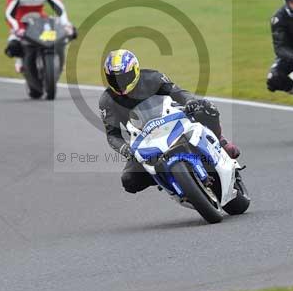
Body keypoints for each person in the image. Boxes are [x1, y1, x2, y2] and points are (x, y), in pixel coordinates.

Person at [98, 49, 241, 194]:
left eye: (124, 77)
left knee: (207, 107)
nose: (119, 83)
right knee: (129, 181)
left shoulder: (153, 77)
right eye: (114, 79)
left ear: (135, 70)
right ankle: (169, 178)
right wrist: (125, 149)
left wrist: (190, 101)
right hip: (145, 140)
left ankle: (221, 142)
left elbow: (177, 92)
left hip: (172, 119)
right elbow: (112, 135)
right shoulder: (107, 101)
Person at [3, 0, 76, 72]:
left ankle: (60, 60)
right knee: (13, 45)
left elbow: (60, 8)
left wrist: (66, 24)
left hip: (41, 19)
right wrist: (16, 28)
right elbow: (8, 13)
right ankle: (20, 60)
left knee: (66, 34)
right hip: (21, 22)